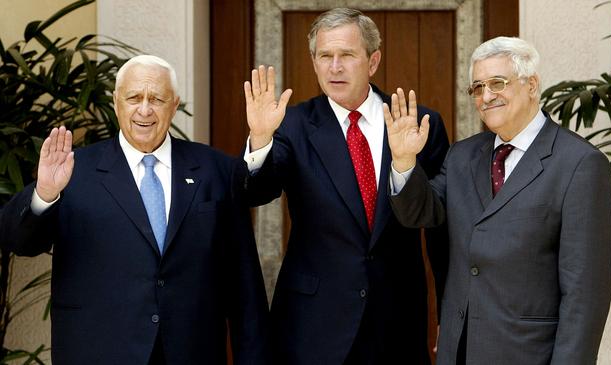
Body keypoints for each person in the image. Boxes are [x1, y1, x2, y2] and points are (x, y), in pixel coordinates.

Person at [0, 55, 269, 365]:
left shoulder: (216, 169)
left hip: (192, 352)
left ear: (174, 104)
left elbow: (244, 287)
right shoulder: (73, 171)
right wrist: (44, 193)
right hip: (99, 352)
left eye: (156, 98)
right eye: (134, 98)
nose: (145, 109)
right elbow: (18, 241)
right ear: (116, 103)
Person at [386, 36, 611, 364]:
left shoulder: (579, 164)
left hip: (529, 354)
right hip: (461, 350)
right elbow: (421, 213)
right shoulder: (462, 155)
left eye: (498, 83)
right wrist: (405, 161)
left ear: (532, 85)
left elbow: (585, 296)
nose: (486, 96)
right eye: (478, 87)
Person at [242, 7, 449, 365]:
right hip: (313, 325)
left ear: (372, 62)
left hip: (396, 321)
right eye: (325, 56)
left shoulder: (417, 123)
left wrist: (448, 311)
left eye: (347, 55)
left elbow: (440, 228)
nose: (334, 67)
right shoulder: (292, 125)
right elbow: (258, 191)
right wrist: (260, 138)